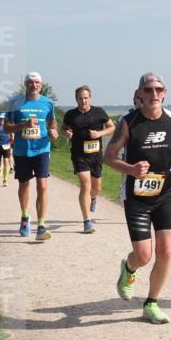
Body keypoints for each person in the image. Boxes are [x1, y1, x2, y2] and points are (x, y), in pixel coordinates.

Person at [103, 72, 171, 324]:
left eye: (158, 89)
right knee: (144, 255)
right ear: (140, 94)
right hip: (137, 196)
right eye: (148, 90)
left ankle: (151, 302)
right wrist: (131, 169)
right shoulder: (128, 122)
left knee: (166, 250)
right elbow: (109, 157)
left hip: (165, 193)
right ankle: (129, 268)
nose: (154, 94)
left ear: (165, 92)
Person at [4, 72, 59, 241]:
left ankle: (41, 226)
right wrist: (23, 125)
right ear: (25, 84)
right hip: (22, 151)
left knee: (42, 186)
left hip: (41, 149)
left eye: (37, 82)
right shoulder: (15, 103)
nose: (33, 85)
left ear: (41, 85)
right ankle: (25, 217)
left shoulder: (48, 103)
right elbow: (7, 128)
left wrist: (54, 131)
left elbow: (52, 122)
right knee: (24, 186)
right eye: (30, 82)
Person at [62, 85, 114, 233]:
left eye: (86, 98)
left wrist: (99, 134)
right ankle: (87, 221)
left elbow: (112, 127)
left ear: (90, 98)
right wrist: (67, 132)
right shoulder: (71, 114)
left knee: (96, 187)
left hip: (96, 155)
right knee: (85, 183)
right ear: (76, 99)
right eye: (80, 98)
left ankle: (93, 198)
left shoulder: (99, 112)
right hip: (79, 154)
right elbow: (64, 127)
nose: (83, 101)